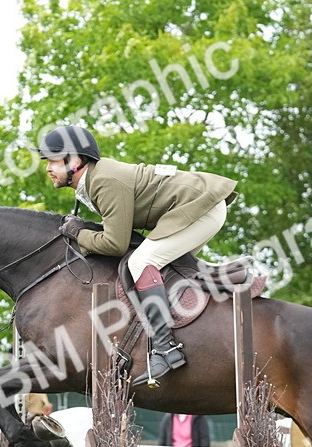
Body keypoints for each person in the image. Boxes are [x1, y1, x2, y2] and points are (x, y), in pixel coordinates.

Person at [37, 125, 238, 386]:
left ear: (75, 161)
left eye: (53, 160)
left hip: (201, 209)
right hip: (196, 207)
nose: (48, 168)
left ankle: (165, 348)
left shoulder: (105, 181)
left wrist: (79, 234)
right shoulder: (95, 179)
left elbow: (115, 244)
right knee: (157, 268)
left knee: (141, 262)